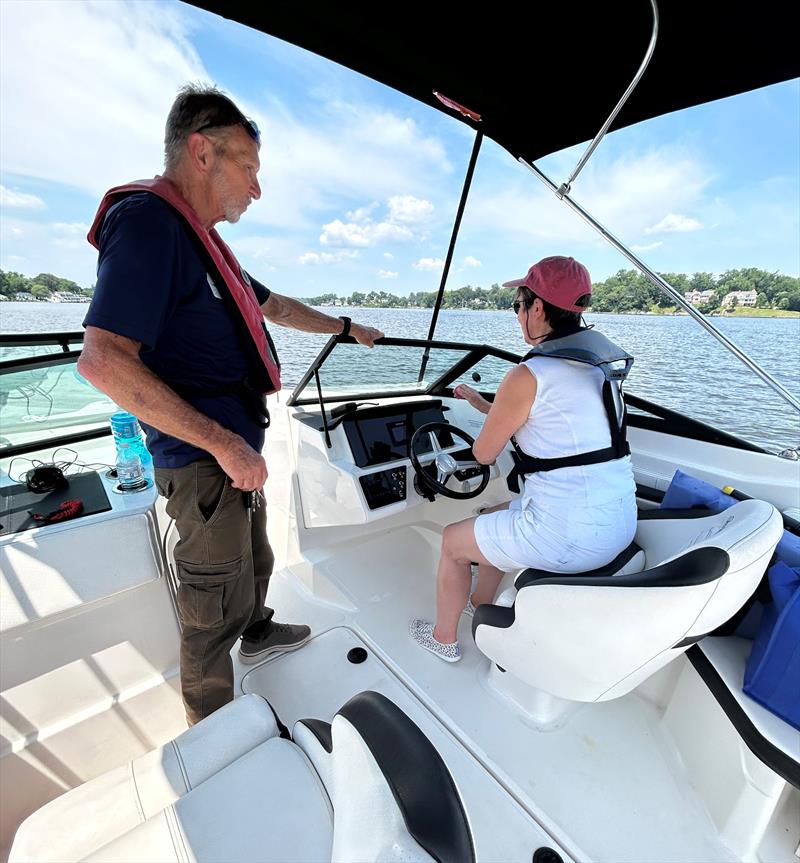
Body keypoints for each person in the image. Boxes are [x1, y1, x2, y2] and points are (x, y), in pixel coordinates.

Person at [78, 84, 383, 724]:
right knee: (211, 599)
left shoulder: (206, 244)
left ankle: (259, 629)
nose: (256, 188)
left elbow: (273, 307)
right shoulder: (150, 224)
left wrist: (344, 328)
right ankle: (214, 729)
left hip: (235, 452)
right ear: (201, 152)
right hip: (203, 459)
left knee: (257, 558)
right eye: (249, 168)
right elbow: (103, 360)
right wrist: (221, 443)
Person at [411, 256, 637, 662]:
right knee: (491, 512)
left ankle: (442, 638)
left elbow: (483, 453)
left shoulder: (528, 374)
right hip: (617, 523)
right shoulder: (598, 369)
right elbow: (544, 419)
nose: (517, 315)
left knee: (452, 541)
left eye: (518, 305)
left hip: (568, 535)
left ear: (537, 308)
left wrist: (489, 419)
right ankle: (477, 602)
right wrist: (483, 404)